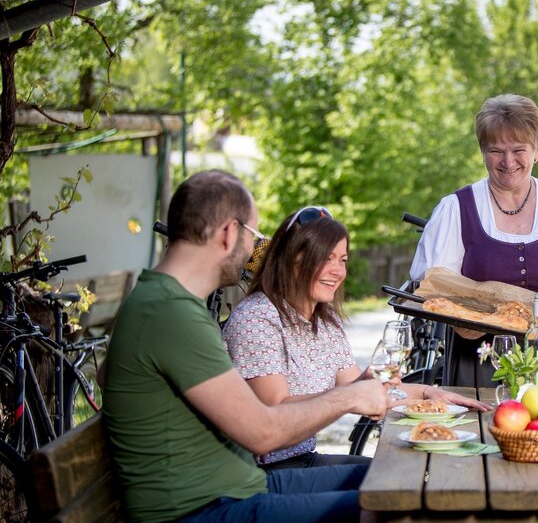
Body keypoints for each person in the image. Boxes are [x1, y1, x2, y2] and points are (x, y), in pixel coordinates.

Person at [103, 170, 389, 522]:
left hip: (239, 488)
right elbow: (264, 433)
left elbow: (109, 377)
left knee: (391, 482)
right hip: (204, 509)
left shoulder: (163, 302)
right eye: (253, 236)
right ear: (228, 233)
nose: (256, 250)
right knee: (391, 507)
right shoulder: (169, 312)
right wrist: (350, 397)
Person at [224, 205, 489, 470]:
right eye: (325, 258)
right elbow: (275, 410)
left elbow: (355, 386)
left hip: (303, 459)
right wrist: (350, 395)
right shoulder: (257, 319)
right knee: (388, 483)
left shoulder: (324, 321)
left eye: (342, 260)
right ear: (292, 259)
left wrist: (428, 393)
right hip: (262, 472)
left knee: (403, 471)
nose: (337, 271)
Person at [410, 93, 538, 388]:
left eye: (519, 149)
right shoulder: (456, 208)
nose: (508, 162)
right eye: (496, 151)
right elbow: (430, 284)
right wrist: (463, 323)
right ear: (482, 151)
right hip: (478, 354)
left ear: (537, 149)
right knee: (478, 432)